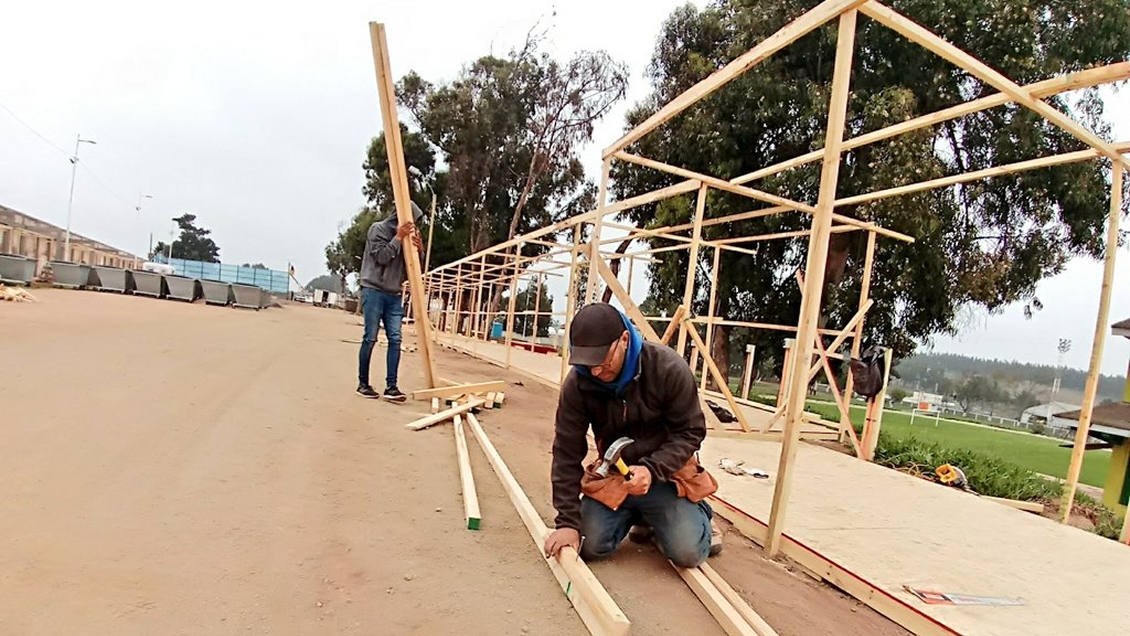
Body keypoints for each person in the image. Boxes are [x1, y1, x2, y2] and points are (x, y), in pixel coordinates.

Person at [543, 302, 721, 568]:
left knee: (688, 553)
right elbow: (567, 452)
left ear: (624, 339)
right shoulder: (579, 383)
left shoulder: (667, 368)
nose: (595, 372)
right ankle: (644, 518)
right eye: (587, 364)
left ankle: (701, 515)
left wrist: (651, 470)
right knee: (587, 544)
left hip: (667, 475)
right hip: (617, 477)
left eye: (603, 362)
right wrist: (567, 522)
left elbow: (691, 431)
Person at [356, 201, 424, 402]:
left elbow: (412, 267)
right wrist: (398, 238)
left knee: (396, 339)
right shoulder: (377, 229)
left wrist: (418, 251)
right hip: (374, 290)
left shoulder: (407, 237)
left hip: (394, 294)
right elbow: (382, 257)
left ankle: (391, 387)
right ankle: (363, 384)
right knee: (370, 337)